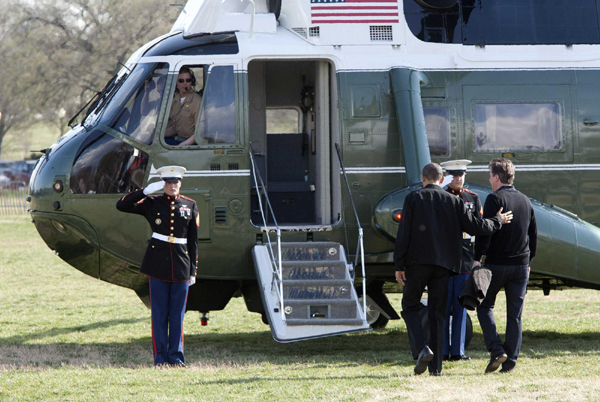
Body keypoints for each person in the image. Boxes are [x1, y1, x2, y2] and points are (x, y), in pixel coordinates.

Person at [394, 163, 512, 376]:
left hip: (417, 264)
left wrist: (399, 265)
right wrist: (498, 221)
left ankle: (422, 348)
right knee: (438, 315)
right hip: (444, 266)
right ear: (442, 180)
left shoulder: (413, 199)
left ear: (423, 178)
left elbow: (404, 235)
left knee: (409, 306)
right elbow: (476, 227)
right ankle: (436, 369)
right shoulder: (455, 201)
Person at [116, 165, 199, 367]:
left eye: (175, 182)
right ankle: (160, 358)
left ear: (180, 183)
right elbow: (122, 205)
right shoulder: (152, 203)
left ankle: (176, 358)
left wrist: (193, 270)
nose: (172, 186)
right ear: (163, 184)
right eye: (168, 183)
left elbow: (193, 241)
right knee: (159, 314)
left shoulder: (190, 205)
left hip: (181, 265)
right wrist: (144, 192)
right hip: (157, 264)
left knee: (177, 315)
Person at [474, 158, 537, 374]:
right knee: (515, 315)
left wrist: (477, 257)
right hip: (521, 266)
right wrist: (529, 262)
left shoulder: (494, 199)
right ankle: (510, 363)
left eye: (490, 175)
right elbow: (533, 235)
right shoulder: (525, 200)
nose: (489, 179)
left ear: (497, 177)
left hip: (496, 265)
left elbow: (487, 230)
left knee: (484, 306)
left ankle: (496, 349)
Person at [439, 159, 482, 362]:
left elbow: (479, 229)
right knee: (442, 308)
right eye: (454, 175)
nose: (458, 178)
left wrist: (478, 259)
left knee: (460, 308)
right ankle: (442, 350)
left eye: (461, 174)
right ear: (446, 176)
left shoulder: (472, 198)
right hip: (444, 262)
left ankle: (457, 352)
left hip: (465, 261)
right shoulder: (440, 197)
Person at [165, 67, 202, 146]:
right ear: (176, 83)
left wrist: (183, 145)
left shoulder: (197, 101)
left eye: (188, 80)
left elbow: (201, 131)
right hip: (178, 140)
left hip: (190, 144)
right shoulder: (176, 100)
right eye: (181, 81)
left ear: (192, 82)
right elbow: (175, 128)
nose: (185, 83)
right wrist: (155, 135)